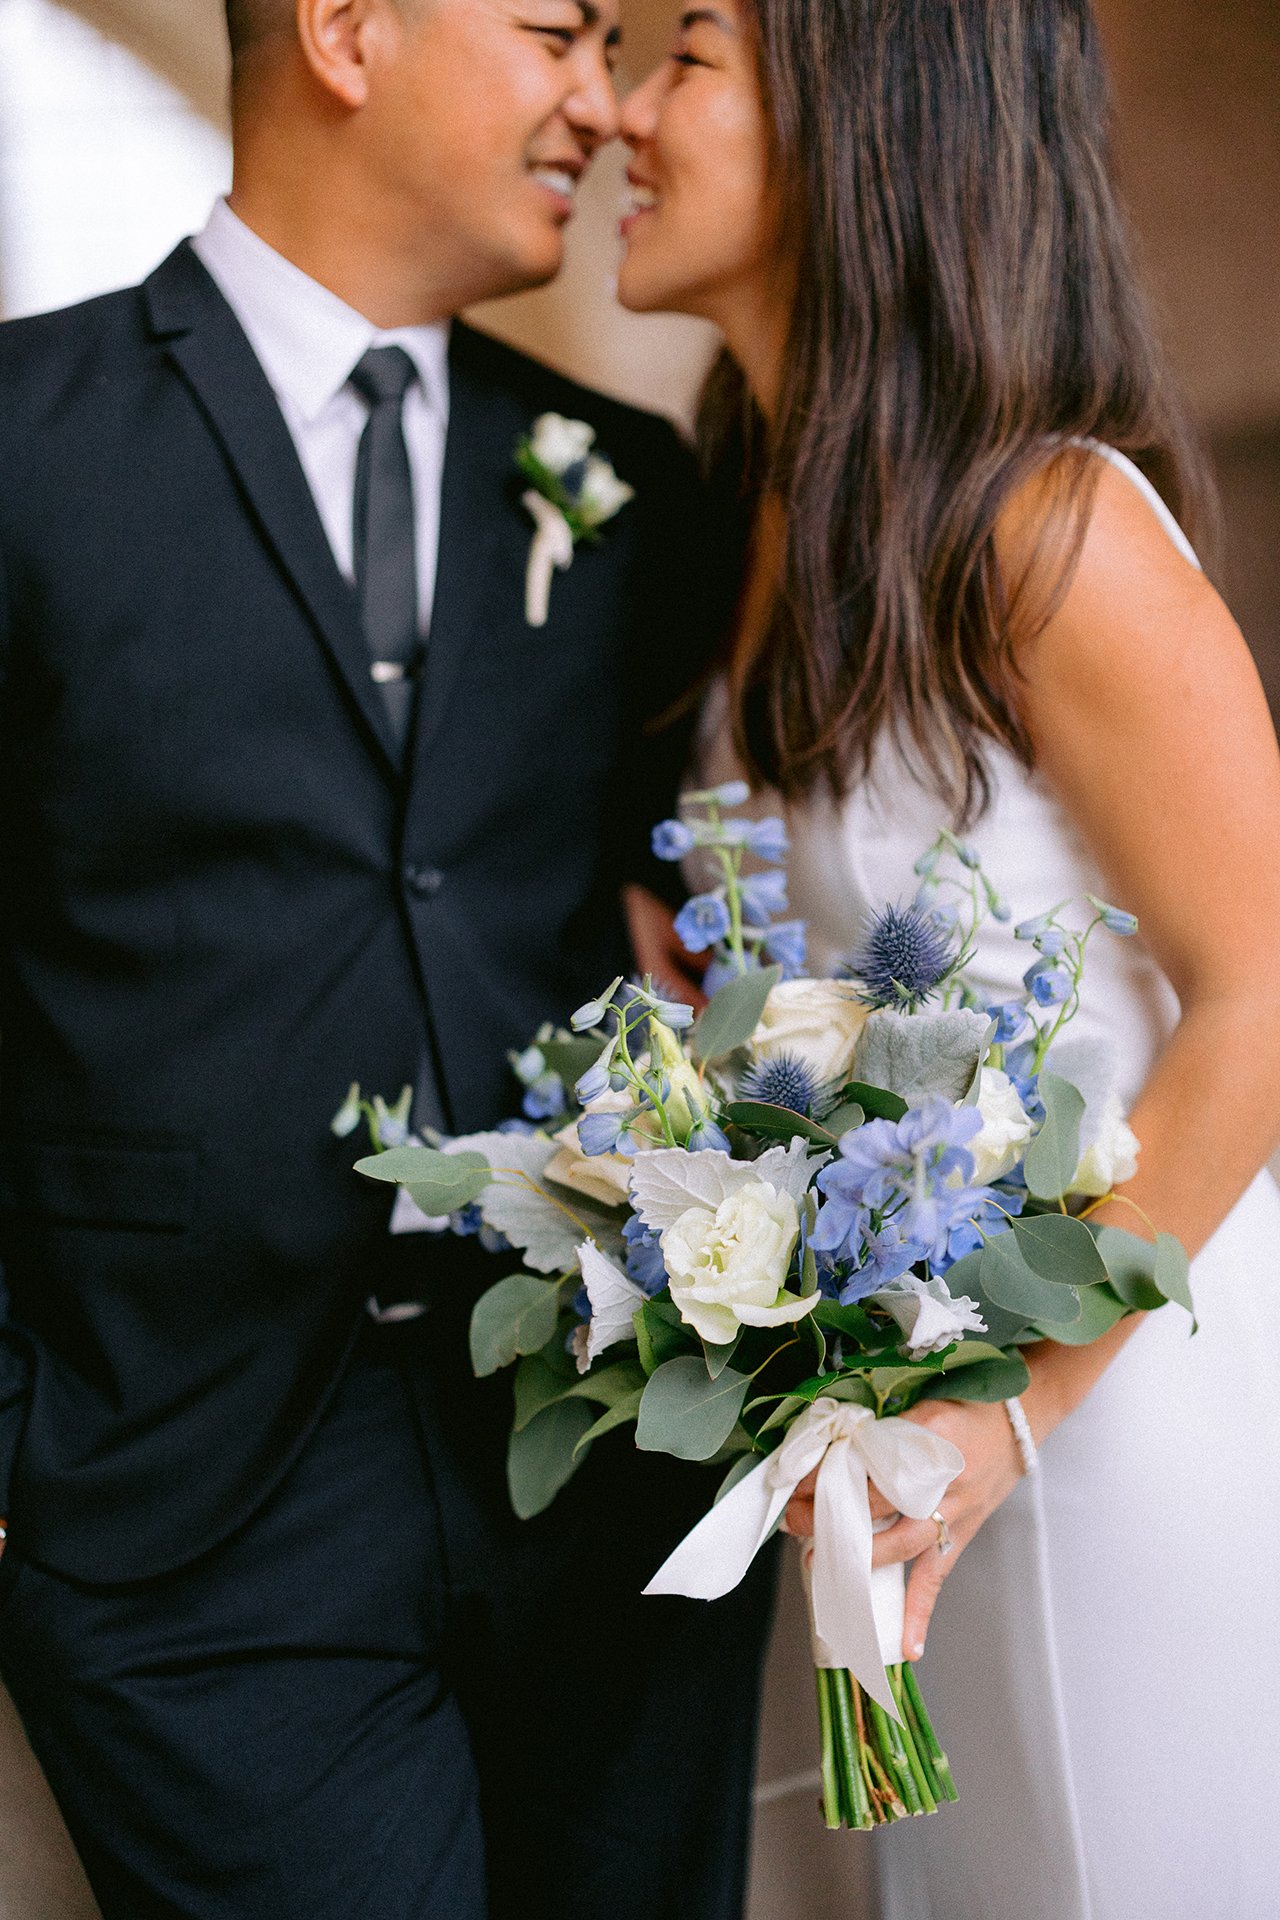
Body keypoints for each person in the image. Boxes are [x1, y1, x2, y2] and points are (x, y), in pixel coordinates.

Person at [0, 3, 772, 1915]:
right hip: (181, 1506)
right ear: (346, 32)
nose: (602, 105)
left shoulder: (625, 481)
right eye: (556, 35)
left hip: (613, 1477)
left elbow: (683, 927)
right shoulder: (24, 438)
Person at [614, 3, 1280, 1917]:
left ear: (858, 107)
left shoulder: (1048, 527)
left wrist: (1011, 1414)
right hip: (888, 1449)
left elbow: (1255, 988)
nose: (623, 114)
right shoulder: (755, 528)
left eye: (682, 55)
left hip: (1107, 1427)